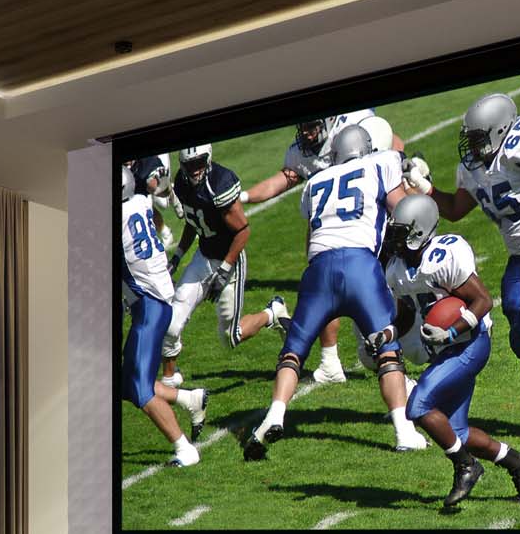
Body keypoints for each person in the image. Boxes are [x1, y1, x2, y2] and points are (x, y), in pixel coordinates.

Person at [406, 92, 520, 445]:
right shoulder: (472, 168)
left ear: (498, 131)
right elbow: (456, 209)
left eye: (478, 138)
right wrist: (426, 188)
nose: (473, 146)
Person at [244, 123, 418, 460]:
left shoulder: (315, 182)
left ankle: (275, 415)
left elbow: (311, 243)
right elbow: (405, 211)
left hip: (318, 269)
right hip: (360, 266)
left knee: (293, 351)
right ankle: (403, 431)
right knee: (387, 352)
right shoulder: (380, 163)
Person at [380, 195, 520, 509]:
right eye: (394, 232)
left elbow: (482, 300)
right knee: (456, 432)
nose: (395, 240)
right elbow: (405, 315)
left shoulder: (445, 254)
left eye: (401, 233)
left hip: (471, 341)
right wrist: (386, 333)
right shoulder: (397, 268)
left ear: (421, 231)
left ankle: (466, 467)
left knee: (418, 406)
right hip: (445, 348)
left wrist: (451, 330)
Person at [241, 111, 405, 385]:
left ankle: (406, 354)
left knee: (394, 290)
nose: (306, 134)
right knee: (328, 282)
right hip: (342, 230)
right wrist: (242, 196)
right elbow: (280, 180)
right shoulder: (301, 152)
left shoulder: (355, 122)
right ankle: (332, 361)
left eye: (311, 127)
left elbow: (392, 142)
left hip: (373, 218)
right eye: (302, 127)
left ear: (329, 123)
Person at [160, 145, 288, 384]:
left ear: (208, 160)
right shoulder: (182, 182)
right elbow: (192, 220)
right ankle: (169, 380)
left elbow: (242, 231)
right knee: (171, 323)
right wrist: (177, 256)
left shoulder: (219, 183)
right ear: (182, 165)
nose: (195, 169)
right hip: (203, 256)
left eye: (200, 163)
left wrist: (225, 270)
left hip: (229, 259)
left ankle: (273, 313)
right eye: (190, 164)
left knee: (231, 337)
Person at [120, 166, 208, 467]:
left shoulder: (113, 221)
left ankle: (185, 449)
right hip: (156, 299)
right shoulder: (141, 203)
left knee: (140, 389)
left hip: (149, 307)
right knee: (122, 382)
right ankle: (188, 399)